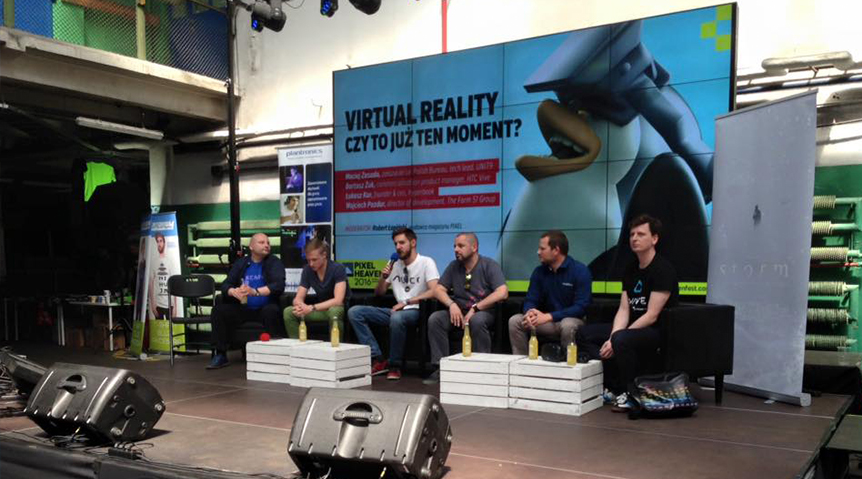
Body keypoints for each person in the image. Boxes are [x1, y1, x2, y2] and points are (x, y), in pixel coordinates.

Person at [576, 214, 679, 412]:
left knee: (621, 339)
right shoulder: (630, 268)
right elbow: (624, 309)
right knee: (584, 334)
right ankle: (613, 387)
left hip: (656, 330)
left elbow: (652, 315)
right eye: (632, 234)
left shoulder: (663, 269)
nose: (634, 238)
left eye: (641, 234)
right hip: (631, 328)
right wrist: (613, 337)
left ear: (654, 239)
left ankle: (632, 393)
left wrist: (618, 337)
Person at [348, 228, 439, 380]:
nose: (398, 247)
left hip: (417, 310)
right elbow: (379, 293)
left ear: (413, 243)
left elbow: (435, 291)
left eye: (402, 243)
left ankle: (394, 365)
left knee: (397, 317)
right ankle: (377, 358)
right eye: (396, 244)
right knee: (355, 312)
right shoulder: (394, 264)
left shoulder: (426, 262)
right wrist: (383, 277)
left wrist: (406, 302)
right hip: (396, 311)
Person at [424, 233, 508, 384]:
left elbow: (502, 292)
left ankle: (482, 368)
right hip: (459, 312)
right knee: (436, 319)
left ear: (474, 247)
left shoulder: (489, 265)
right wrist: (451, 304)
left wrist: (476, 308)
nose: (456, 249)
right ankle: (440, 368)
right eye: (454, 246)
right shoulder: (453, 266)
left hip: (483, 311)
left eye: (460, 246)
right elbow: (438, 290)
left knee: (476, 320)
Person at [207, 233, 286, 369]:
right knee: (219, 311)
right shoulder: (242, 263)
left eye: (268, 242)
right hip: (244, 308)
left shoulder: (274, 262)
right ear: (251, 246)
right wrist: (233, 291)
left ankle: (274, 355)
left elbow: (278, 285)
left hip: (265, 307)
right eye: (261, 242)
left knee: (271, 311)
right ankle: (220, 354)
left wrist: (254, 292)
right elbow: (226, 284)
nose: (266, 245)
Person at [508, 230, 591, 356]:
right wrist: (529, 312)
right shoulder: (539, 272)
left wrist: (549, 316)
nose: (538, 252)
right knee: (515, 321)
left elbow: (581, 307)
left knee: (568, 325)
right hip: (545, 321)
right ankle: (521, 362)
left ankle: (568, 363)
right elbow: (531, 299)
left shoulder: (580, 271)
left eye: (542, 248)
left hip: (571, 320)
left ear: (556, 250)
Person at [283, 238, 348, 340]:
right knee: (288, 312)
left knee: (334, 312)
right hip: (318, 309)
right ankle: (298, 346)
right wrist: (300, 306)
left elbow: (338, 300)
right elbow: (298, 298)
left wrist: (311, 308)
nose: (311, 264)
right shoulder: (307, 270)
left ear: (324, 255)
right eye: (308, 260)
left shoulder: (337, 268)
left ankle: (336, 346)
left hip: (335, 308)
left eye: (314, 260)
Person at [148, 233, 176, 320]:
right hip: (158, 305)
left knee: (170, 327)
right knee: (158, 327)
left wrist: (175, 307)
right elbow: (151, 284)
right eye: (157, 241)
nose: (159, 244)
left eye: (161, 241)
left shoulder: (170, 262)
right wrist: (152, 305)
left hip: (169, 304)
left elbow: (174, 284)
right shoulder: (154, 262)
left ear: (164, 242)